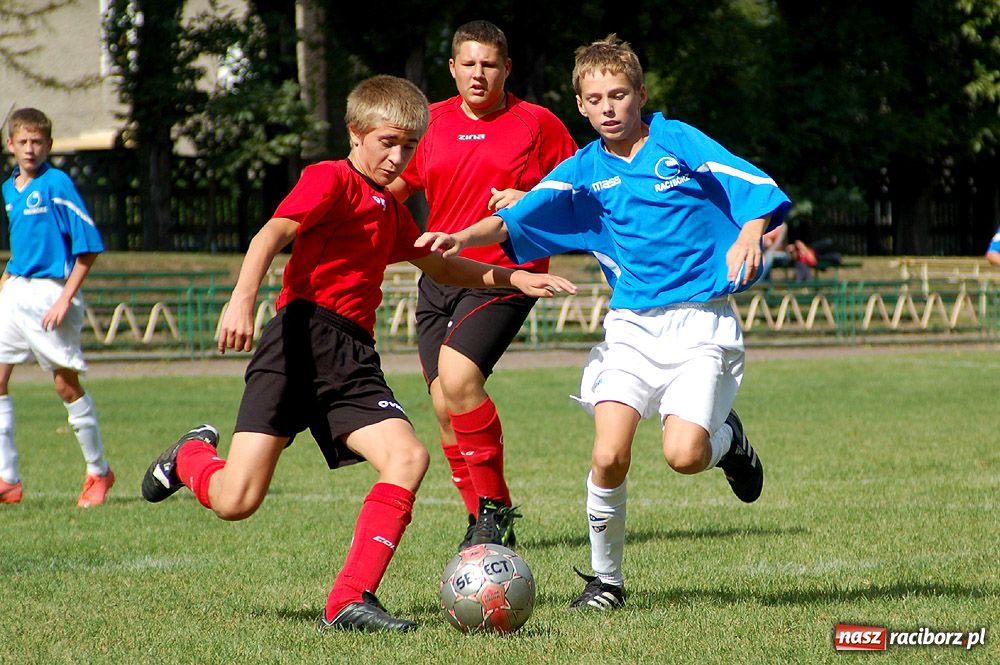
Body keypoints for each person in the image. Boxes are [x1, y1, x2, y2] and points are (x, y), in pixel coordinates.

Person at [138, 75, 574, 633]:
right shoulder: (330, 179)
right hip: (298, 342)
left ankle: (348, 600)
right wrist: (242, 300)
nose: (398, 158)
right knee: (236, 500)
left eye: (409, 147)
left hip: (353, 356)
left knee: (408, 458)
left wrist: (515, 277)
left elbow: (442, 268)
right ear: (355, 133)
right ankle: (190, 457)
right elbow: (270, 235)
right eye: (388, 143)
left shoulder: (390, 210)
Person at [416, 35, 791, 612]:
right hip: (631, 330)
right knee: (608, 454)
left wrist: (750, 231)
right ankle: (605, 582)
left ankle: (728, 440)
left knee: (684, 455)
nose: (609, 107)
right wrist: (462, 237)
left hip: (699, 324)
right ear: (581, 106)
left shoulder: (676, 140)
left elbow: (752, 185)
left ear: (641, 94)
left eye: (619, 94)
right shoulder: (585, 169)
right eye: (595, 99)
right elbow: (516, 218)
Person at [387, 20, 578, 552]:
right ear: (452, 68)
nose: (479, 73)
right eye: (468, 64)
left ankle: (493, 510)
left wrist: (529, 198)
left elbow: (576, 189)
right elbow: (399, 184)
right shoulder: (431, 122)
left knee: (459, 377)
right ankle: (487, 522)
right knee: (444, 405)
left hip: (506, 274)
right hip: (440, 273)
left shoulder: (536, 123)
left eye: (489, 64)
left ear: (506, 68)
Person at [0, 107, 113, 507]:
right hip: (16, 290)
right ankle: (8, 478)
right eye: (23, 141)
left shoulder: (57, 184)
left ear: (49, 144)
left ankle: (99, 471)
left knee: (65, 385)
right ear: (10, 145)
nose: (30, 149)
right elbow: (24, 245)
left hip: (51, 295)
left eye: (37, 142)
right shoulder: (9, 189)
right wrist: (7, 279)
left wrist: (65, 297)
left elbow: (88, 247)